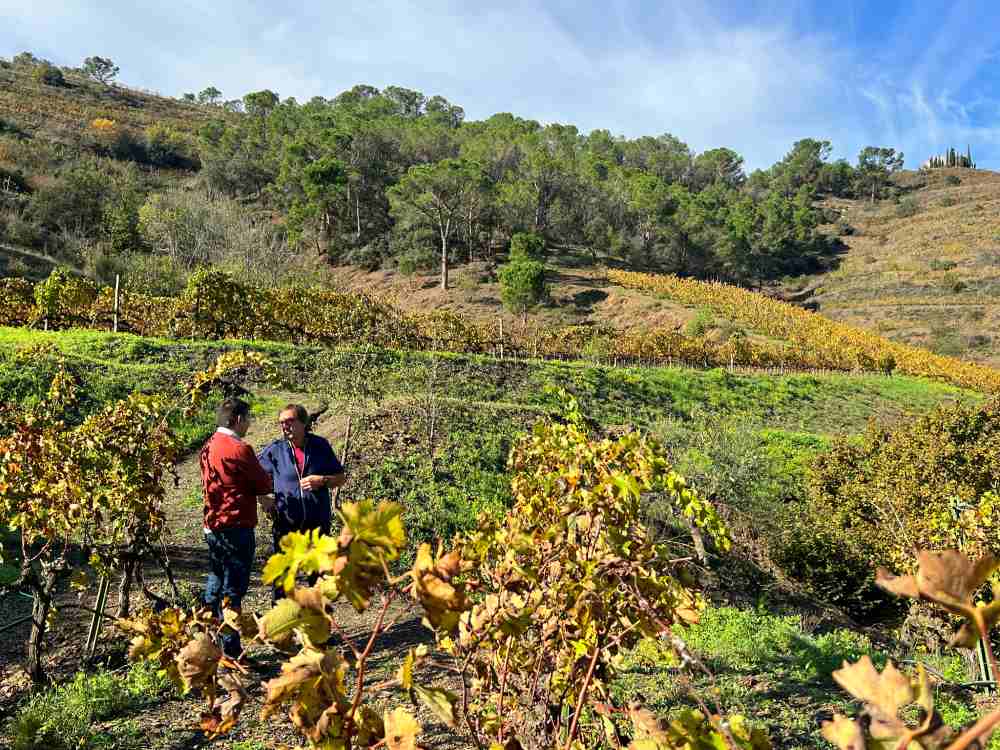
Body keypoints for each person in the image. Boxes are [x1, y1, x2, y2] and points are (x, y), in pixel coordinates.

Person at [199, 397, 273, 659]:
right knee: (233, 589)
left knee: (216, 581)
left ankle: (208, 640)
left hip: (214, 525)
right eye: (248, 419)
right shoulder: (239, 448)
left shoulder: (207, 447)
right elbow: (263, 484)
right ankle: (230, 650)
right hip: (236, 525)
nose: (249, 424)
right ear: (238, 419)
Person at [258, 404, 345, 599]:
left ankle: (319, 621)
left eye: (290, 421)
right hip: (286, 525)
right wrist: (264, 499)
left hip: (317, 525)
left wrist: (322, 480)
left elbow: (341, 478)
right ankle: (282, 623)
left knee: (320, 577)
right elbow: (253, 476)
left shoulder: (320, 446)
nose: (285, 426)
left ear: (303, 423)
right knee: (283, 577)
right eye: (282, 423)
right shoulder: (275, 450)